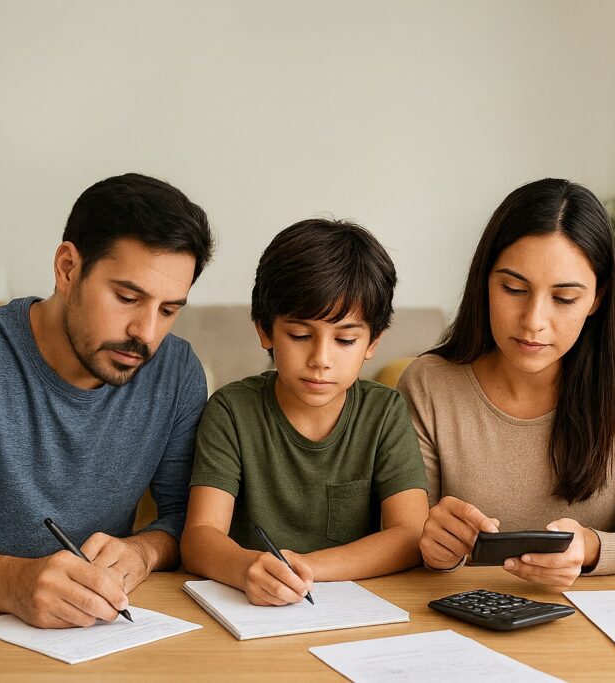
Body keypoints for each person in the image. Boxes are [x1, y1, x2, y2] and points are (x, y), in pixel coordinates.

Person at [0, 173, 214, 627]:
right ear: (67, 268)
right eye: (127, 297)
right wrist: (16, 583)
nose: (146, 333)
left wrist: (143, 550)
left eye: (169, 310)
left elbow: (182, 520)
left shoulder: (175, 373)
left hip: (94, 637)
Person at [397, 178, 615, 587]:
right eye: (513, 288)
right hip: (459, 614)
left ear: (597, 298)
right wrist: (433, 542)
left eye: (564, 299)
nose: (533, 321)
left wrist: (590, 547)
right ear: (485, 281)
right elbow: (411, 535)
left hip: (593, 624)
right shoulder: (428, 383)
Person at [181, 218, 429, 606]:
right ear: (265, 330)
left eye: (345, 339)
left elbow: (410, 534)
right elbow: (199, 537)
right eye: (299, 336)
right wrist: (248, 568)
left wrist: (307, 568)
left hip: (348, 607)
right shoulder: (231, 410)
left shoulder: (384, 412)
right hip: (251, 605)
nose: (321, 360)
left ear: (372, 342)